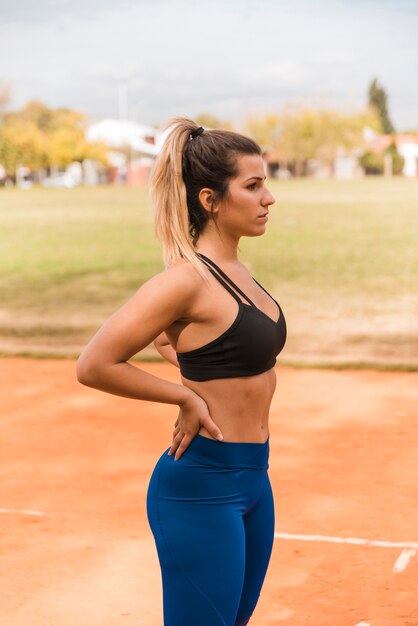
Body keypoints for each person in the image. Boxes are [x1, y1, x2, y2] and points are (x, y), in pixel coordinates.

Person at [76, 117, 287, 626]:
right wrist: (184, 398)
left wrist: (183, 360)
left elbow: (198, 347)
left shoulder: (238, 273)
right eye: (253, 186)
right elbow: (95, 364)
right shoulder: (184, 280)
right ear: (210, 200)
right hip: (201, 488)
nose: (269, 198)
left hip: (255, 479)